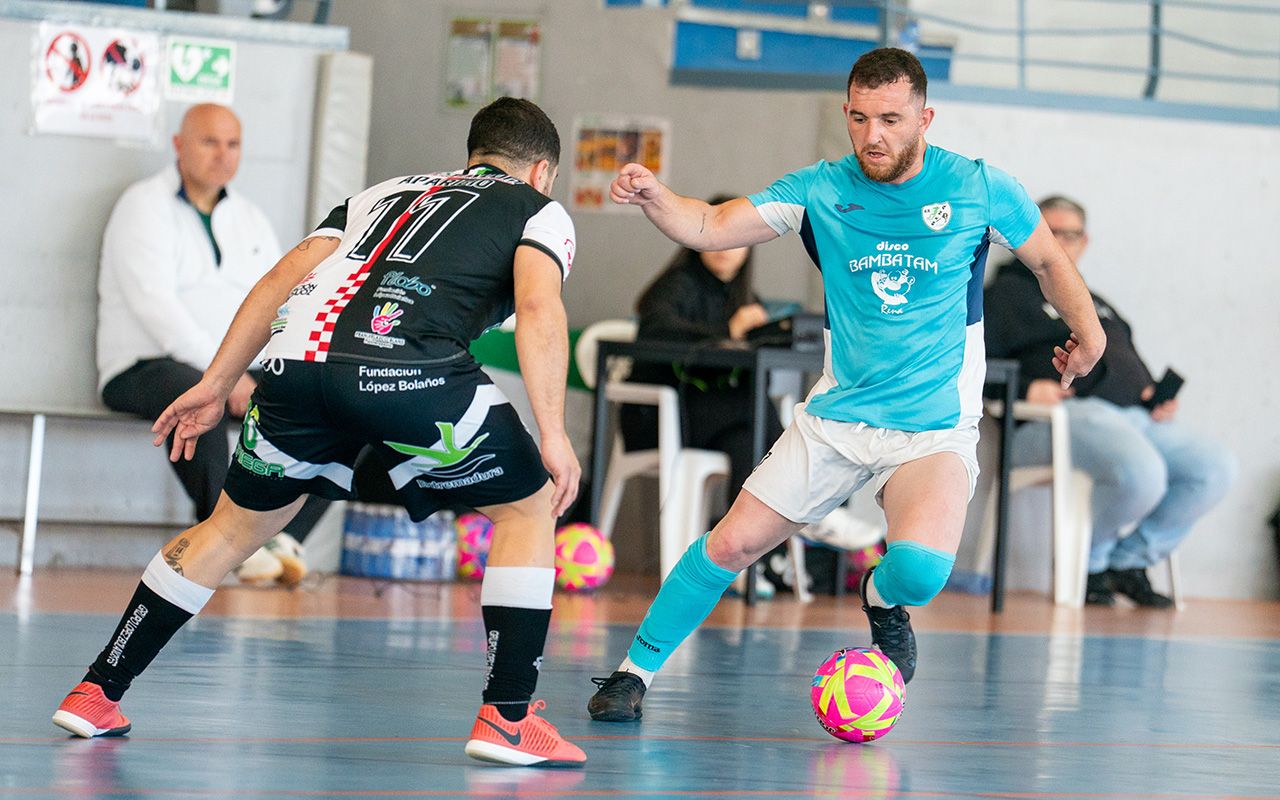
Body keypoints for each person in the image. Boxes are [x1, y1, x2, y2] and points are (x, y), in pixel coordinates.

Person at [55, 97, 587, 768]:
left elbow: (282, 278)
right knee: (527, 505)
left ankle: (96, 690)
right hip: (405, 368)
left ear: (472, 154)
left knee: (228, 528)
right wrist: (554, 434)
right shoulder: (540, 210)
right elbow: (540, 306)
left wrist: (218, 381)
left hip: (295, 370)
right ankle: (509, 716)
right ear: (543, 170)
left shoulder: (386, 190)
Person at [586, 47, 1105, 722]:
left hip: (931, 429)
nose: (873, 136)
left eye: (890, 119)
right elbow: (710, 226)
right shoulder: (821, 189)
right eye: (859, 119)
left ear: (925, 116)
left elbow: (1046, 259)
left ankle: (883, 600)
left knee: (919, 571)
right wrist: (658, 197)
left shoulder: (978, 186)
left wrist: (1087, 333)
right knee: (732, 543)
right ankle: (634, 672)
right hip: (836, 420)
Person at [96, 103, 318, 586]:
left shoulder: (251, 218)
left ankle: (277, 538)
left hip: (234, 368)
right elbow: (154, 306)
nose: (223, 155)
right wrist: (225, 375)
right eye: (209, 142)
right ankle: (227, 541)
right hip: (143, 366)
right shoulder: (142, 205)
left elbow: (280, 301)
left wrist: (261, 368)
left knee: (331, 406)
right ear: (178, 144)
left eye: (233, 144)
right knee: (200, 398)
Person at [985, 196, 1236, 607]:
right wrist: (1025, 389)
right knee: (1144, 473)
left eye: (1071, 234)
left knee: (1213, 468)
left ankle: (1128, 559)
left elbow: (1123, 357)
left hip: (1133, 417)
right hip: (1057, 420)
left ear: (1085, 242)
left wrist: (1154, 394)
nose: (1061, 243)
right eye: (1051, 232)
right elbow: (974, 365)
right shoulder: (1005, 295)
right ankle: (1090, 566)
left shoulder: (1092, 298)